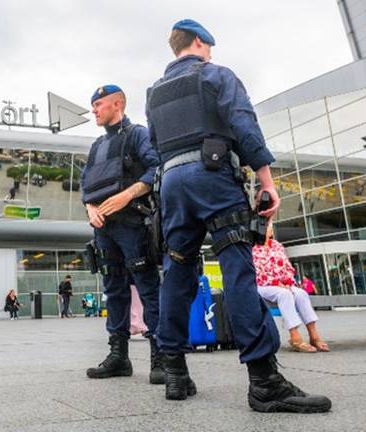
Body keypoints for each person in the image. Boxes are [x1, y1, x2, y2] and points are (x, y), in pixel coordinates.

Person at [145, 19, 330, 412]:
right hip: (212, 176)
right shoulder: (216, 74)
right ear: (199, 42)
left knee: (176, 271)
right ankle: (264, 381)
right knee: (237, 268)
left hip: (173, 183)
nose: (211, 53)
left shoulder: (154, 94)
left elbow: (156, 145)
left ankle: (174, 372)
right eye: (209, 46)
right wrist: (266, 180)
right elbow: (244, 125)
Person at [81, 84, 163, 384]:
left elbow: (156, 169)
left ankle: (161, 358)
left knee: (148, 288)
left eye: (99, 104)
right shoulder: (96, 147)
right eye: (93, 105)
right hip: (104, 228)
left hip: (133, 223)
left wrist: (126, 196)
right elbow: (85, 184)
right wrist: (91, 208)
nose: (94, 110)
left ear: (118, 104)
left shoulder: (138, 135)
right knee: (114, 290)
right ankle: (119, 357)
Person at [253, 224, 329, 353]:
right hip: (263, 285)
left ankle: (314, 336)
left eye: (269, 227)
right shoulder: (252, 248)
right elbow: (258, 271)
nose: (268, 229)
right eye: (264, 227)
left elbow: (288, 267)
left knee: (301, 293)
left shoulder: (277, 245)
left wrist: (288, 282)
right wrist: (277, 283)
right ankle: (295, 337)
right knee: (284, 295)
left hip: (284, 284)